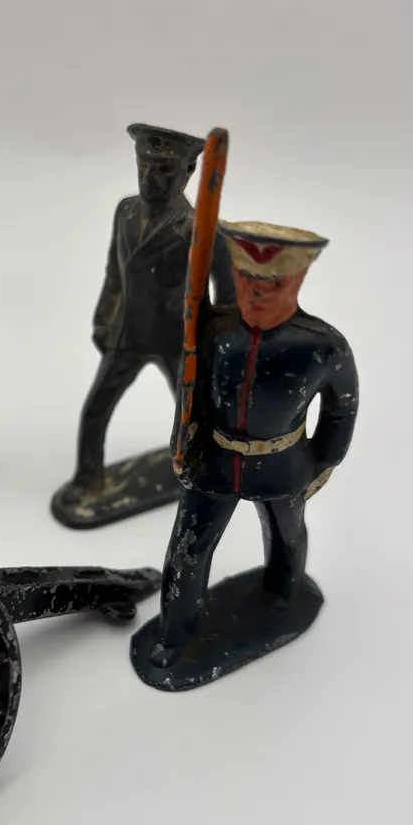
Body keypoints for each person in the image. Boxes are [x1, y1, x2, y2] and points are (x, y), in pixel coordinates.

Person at [153, 219, 359, 664]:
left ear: (298, 279)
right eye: (246, 277)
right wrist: (183, 446)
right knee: (188, 550)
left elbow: (342, 408)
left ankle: (283, 596)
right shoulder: (212, 333)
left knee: (287, 535)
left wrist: (324, 460)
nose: (256, 291)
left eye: (273, 281)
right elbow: (190, 397)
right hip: (214, 463)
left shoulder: (323, 347)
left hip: (284, 465)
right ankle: (175, 635)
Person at [61, 123, 236, 503]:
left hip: (178, 340)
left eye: (164, 169)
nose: (149, 177)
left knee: (194, 416)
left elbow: (226, 298)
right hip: (128, 334)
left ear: (188, 172)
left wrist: (212, 345)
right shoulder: (125, 212)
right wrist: (103, 317)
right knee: (96, 408)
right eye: (144, 165)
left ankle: (200, 470)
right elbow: (114, 272)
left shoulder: (201, 230)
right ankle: (88, 480)